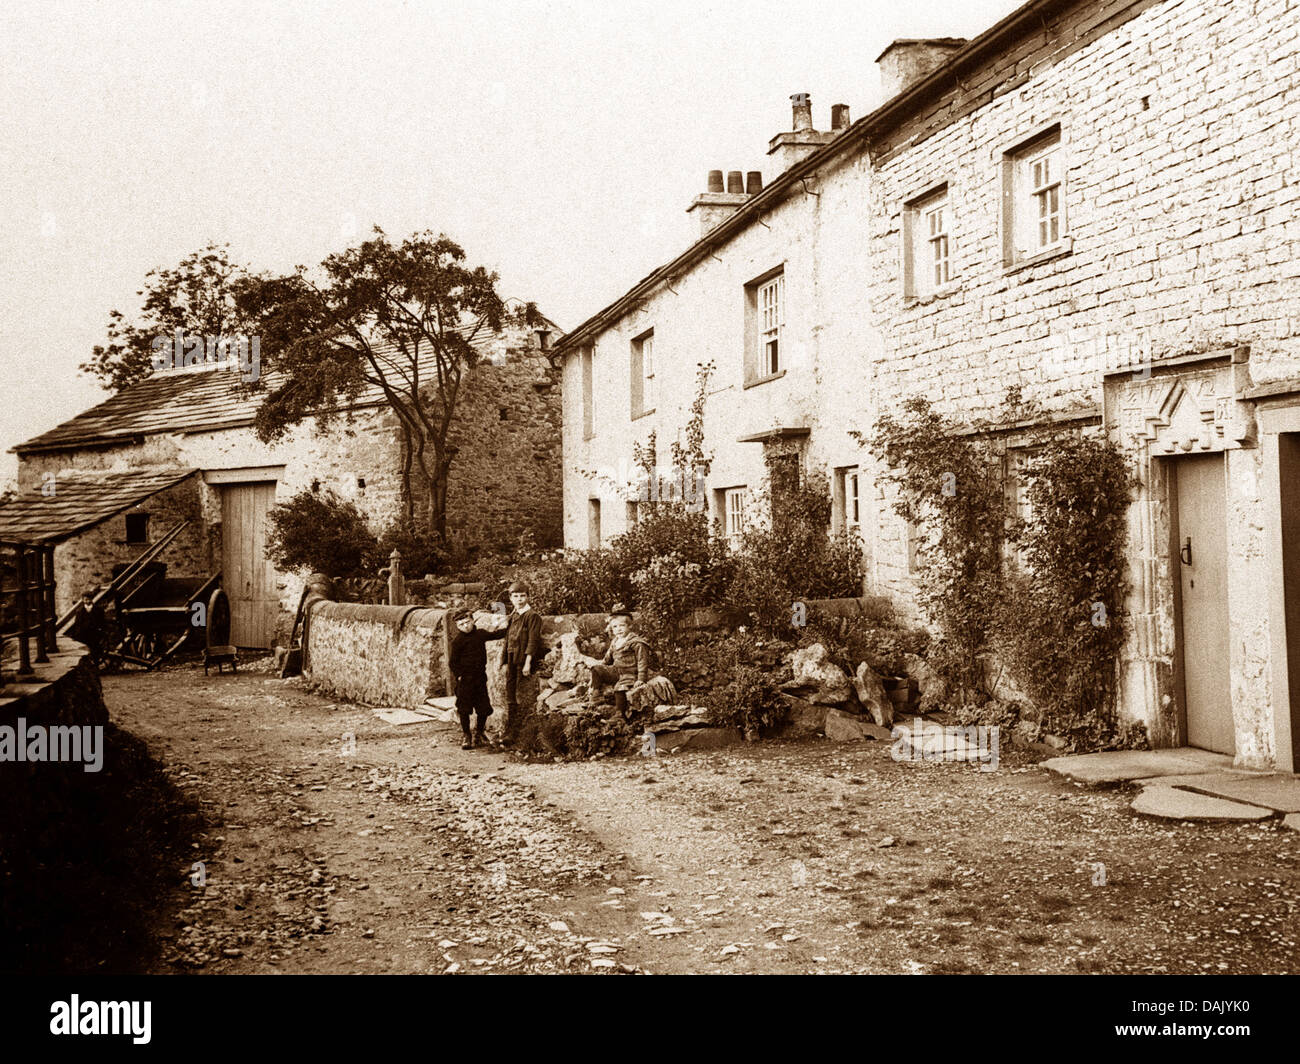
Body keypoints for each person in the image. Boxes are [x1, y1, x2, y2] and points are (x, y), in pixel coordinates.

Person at [448, 607, 506, 749]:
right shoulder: (457, 641)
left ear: (473, 620)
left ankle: (479, 733)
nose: (465, 626)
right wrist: (460, 675)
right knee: (464, 708)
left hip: (480, 678)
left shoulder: (480, 634)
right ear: (457, 625)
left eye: (467, 622)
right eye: (461, 624)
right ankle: (466, 735)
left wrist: (508, 626)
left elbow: (497, 634)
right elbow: (453, 662)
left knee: (483, 707)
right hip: (465, 680)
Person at [587, 604, 654, 717]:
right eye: (615, 627)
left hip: (630, 672)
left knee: (620, 688)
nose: (618, 630)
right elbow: (607, 659)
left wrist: (641, 678)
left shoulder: (636, 642)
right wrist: (600, 669)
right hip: (617, 671)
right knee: (596, 669)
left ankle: (620, 714)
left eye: (622, 626)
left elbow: (642, 661)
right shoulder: (615, 642)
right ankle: (596, 695)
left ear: (629, 626)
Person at [503, 582, 543, 734]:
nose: (519, 599)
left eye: (522, 596)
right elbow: (508, 639)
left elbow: (533, 641)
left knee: (521, 695)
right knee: (510, 695)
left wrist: (527, 663)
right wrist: (504, 660)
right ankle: (510, 730)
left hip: (522, 660)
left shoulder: (532, 616)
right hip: (511, 659)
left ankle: (519, 733)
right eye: (516, 596)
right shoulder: (513, 616)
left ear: (528, 597)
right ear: (511, 598)